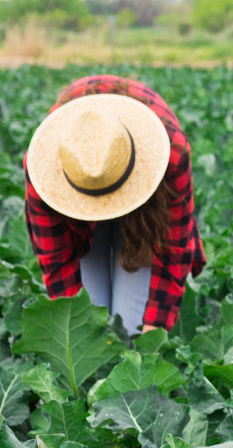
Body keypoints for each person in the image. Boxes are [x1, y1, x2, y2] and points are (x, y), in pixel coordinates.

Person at [24, 75, 206, 334]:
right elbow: (57, 261)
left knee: (132, 330)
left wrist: (150, 339)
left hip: (146, 213)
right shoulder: (43, 171)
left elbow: (173, 252)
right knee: (86, 322)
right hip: (80, 224)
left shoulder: (171, 154)